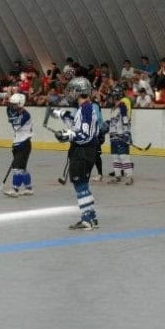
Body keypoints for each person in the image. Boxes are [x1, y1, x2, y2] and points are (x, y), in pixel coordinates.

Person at [53, 77, 101, 230]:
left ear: (80, 91)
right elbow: (78, 125)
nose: (70, 93)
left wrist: (69, 135)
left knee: (80, 185)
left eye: (73, 90)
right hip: (87, 151)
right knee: (83, 184)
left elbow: (85, 135)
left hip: (83, 152)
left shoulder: (86, 109)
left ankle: (86, 220)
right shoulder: (85, 108)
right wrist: (63, 115)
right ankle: (91, 217)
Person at [3, 93, 34, 197]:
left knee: (17, 168)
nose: (12, 106)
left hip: (24, 144)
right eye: (12, 104)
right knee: (23, 168)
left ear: (21, 104)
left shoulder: (26, 115)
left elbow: (16, 126)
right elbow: (9, 113)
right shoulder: (14, 111)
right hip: (18, 143)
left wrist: (10, 114)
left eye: (15, 104)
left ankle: (15, 189)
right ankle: (29, 188)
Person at [106, 85, 134, 185]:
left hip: (121, 136)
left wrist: (127, 133)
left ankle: (129, 177)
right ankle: (117, 176)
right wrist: (107, 125)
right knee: (115, 156)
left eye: (112, 97)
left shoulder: (122, 106)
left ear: (117, 96)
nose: (111, 99)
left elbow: (125, 121)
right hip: (114, 137)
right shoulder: (113, 108)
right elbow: (114, 121)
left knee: (123, 156)